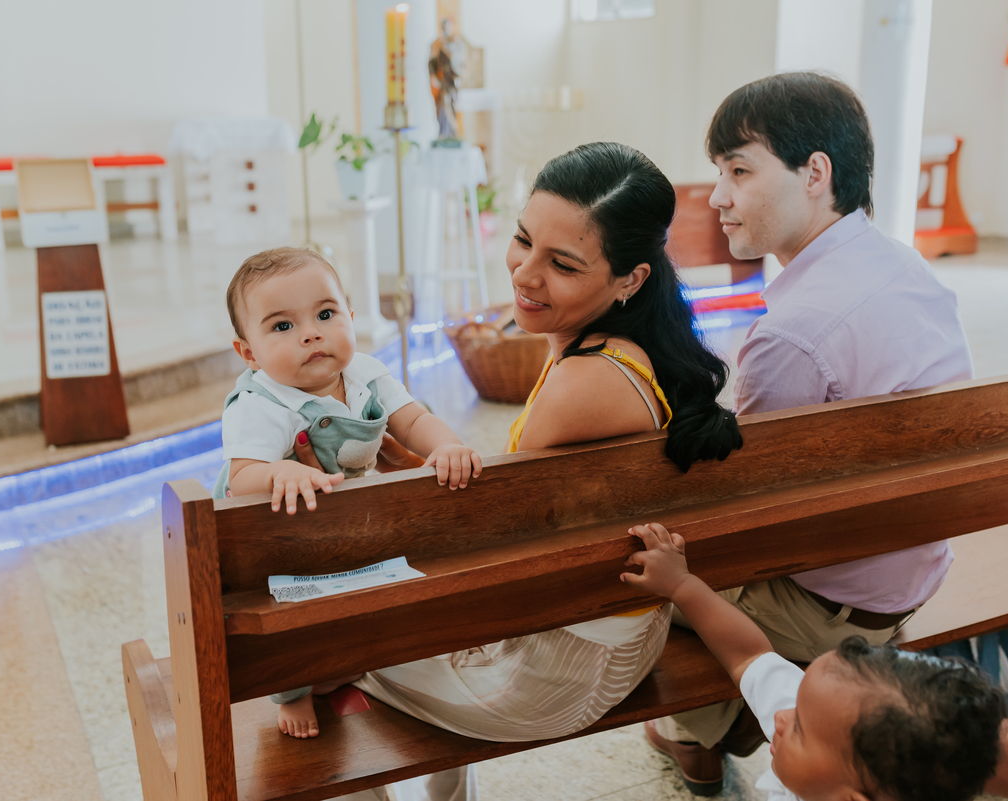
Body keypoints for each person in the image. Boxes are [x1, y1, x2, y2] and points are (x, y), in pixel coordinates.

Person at [311, 142, 742, 801]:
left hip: (551, 676)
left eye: (562, 263)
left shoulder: (582, 384)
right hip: (617, 635)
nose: (524, 273)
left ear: (630, 279)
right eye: (522, 240)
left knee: (316, 663)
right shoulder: (628, 349)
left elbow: (487, 551)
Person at [646, 72, 976, 795]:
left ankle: (699, 730)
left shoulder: (792, 332)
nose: (719, 196)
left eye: (738, 170)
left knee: (643, 579)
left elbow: (744, 508)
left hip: (833, 603)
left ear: (815, 173)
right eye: (718, 172)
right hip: (915, 566)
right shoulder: (903, 265)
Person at [213, 246, 482, 738]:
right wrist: (280, 473)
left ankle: (345, 664)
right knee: (292, 617)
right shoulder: (260, 403)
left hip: (339, 513)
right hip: (274, 529)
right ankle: (293, 691)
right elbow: (241, 475)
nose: (311, 332)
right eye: (281, 326)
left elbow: (413, 418)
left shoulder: (364, 372)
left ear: (351, 317)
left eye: (325, 314)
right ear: (248, 352)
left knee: (360, 591)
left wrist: (446, 446)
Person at [622, 521, 1006, 801]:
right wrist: (680, 585)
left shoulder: (825, 722)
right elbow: (749, 654)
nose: (780, 718)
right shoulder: (823, 725)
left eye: (801, 727)